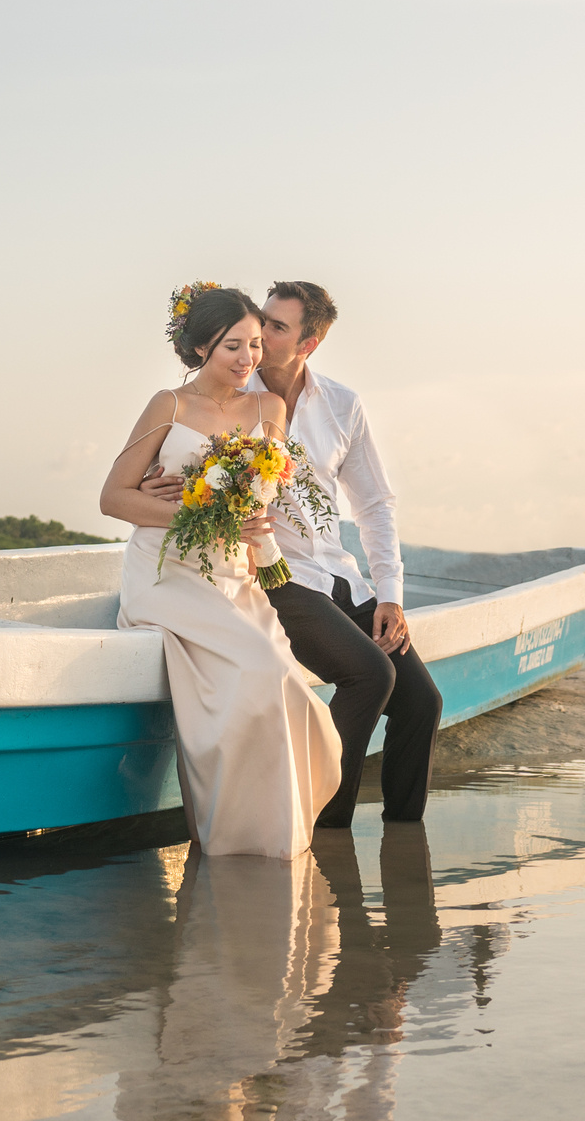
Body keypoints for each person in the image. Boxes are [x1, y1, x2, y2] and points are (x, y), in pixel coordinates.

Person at [145, 280, 441, 827]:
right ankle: (323, 827)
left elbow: (374, 504)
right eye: (262, 320)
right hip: (271, 572)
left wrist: (391, 596)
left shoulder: (343, 405)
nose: (259, 335)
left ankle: (405, 843)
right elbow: (176, 460)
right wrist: (158, 490)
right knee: (370, 677)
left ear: (309, 343)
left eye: (277, 328)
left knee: (423, 702)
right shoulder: (231, 391)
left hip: (337, 571)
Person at [101, 285, 342, 859]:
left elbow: (267, 498)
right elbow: (114, 498)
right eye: (234, 346)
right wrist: (190, 508)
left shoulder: (269, 410)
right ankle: (237, 840)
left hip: (235, 575)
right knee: (259, 671)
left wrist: (245, 518)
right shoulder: (169, 405)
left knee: (290, 684)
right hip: (168, 574)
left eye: (257, 344)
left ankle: (276, 835)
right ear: (202, 347)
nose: (248, 359)